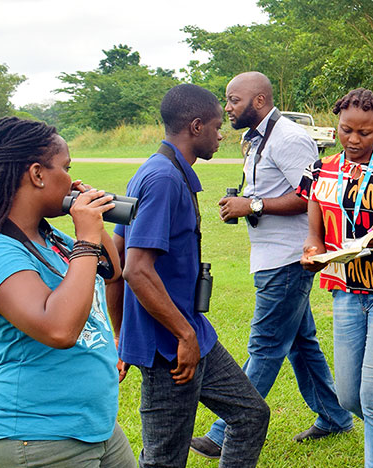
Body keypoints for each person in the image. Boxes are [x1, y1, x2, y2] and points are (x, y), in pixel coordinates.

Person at [188, 72, 353, 459]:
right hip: (271, 258)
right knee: (301, 344)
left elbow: (314, 196)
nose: (226, 107)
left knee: (264, 346)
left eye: (233, 100)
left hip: (289, 258)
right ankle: (334, 417)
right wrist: (243, 205)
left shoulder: (289, 138)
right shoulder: (257, 139)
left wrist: (255, 205)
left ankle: (223, 430)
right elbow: (271, 191)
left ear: (258, 101)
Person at [112, 84, 270, 467]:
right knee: (165, 458)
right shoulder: (162, 179)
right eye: (217, 127)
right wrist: (168, 336)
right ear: (196, 126)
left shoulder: (166, 172)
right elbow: (133, 268)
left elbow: (115, 260)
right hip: (170, 346)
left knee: (250, 414)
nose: (221, 134)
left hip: (192, 334)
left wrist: (125, 335)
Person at [0, 117, 135, 467]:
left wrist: (92, 221)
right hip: (37, 438)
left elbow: (111, 270)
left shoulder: (50, 238)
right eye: (67, 168)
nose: (72, 180)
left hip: (96, 426)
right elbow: (59, 329)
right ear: (38, 174)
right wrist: (86, 237)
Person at [299, 88, 373, 468]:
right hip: (345, 290)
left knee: (371, 394)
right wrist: (312, 254)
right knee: (348, 395)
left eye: (364, 133)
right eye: (345, 130)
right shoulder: (321, 169)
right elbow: (314, 234)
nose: (353, 140)